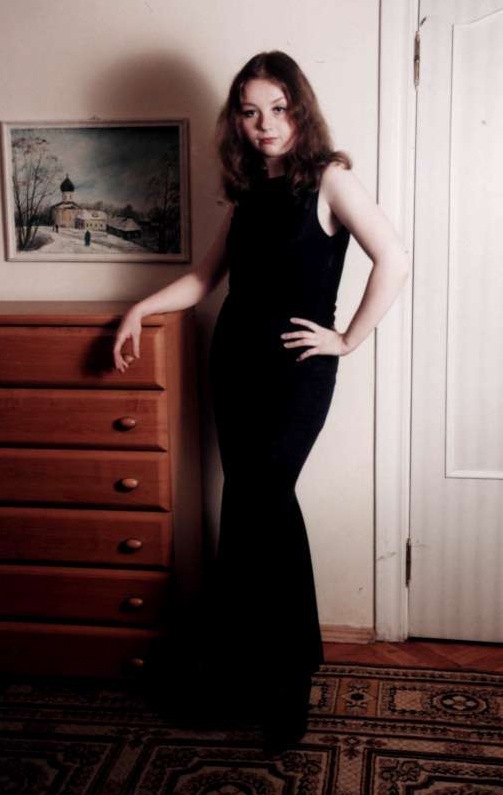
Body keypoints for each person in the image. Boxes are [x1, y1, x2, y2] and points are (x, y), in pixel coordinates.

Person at [113, 50, 409, 754]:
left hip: (296, 372)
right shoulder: (248, 190)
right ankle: (240, 674)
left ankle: (288, 679)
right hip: (235, 365)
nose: (265, 124)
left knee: (265, 504)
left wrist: (348, 339)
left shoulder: (331, 179)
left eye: (278, 109)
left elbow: (395, 258)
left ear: (300, 110)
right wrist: (138, 308)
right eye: (250, 112)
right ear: (236, 121)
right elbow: (203, 279)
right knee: (245, 513)